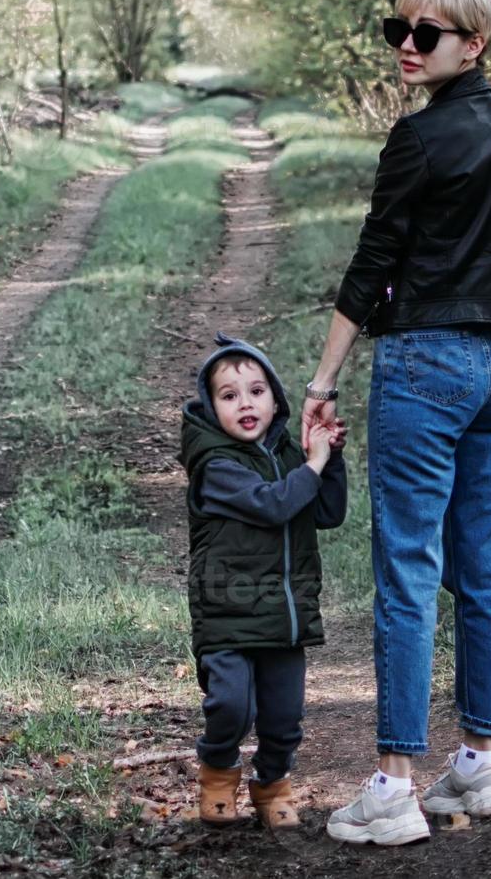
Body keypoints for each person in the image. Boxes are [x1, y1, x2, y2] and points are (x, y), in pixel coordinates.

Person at [302, 0, 491, 846]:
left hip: (424, 365)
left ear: (473, 43)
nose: (406, 46)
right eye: (397, 30)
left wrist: (323, 383)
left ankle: (394, 785)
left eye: (427, 34)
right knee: (482, 567)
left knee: (407, 571)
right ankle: (479, 764)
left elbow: (372, 267)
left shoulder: (418, 140)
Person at [179, 333, 348, 828]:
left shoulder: (290, 454)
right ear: (211, 409)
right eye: (229, 396)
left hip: (283, 612)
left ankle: (273, 784)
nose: (245, 403)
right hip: (226, 611)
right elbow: (273, 504)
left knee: (282, 716)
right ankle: (217, 773)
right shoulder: (215, 465)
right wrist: (313, 464)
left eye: (256, 391)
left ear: (276, 401)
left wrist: (328, 458)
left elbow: (328, 512)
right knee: (231, 704)